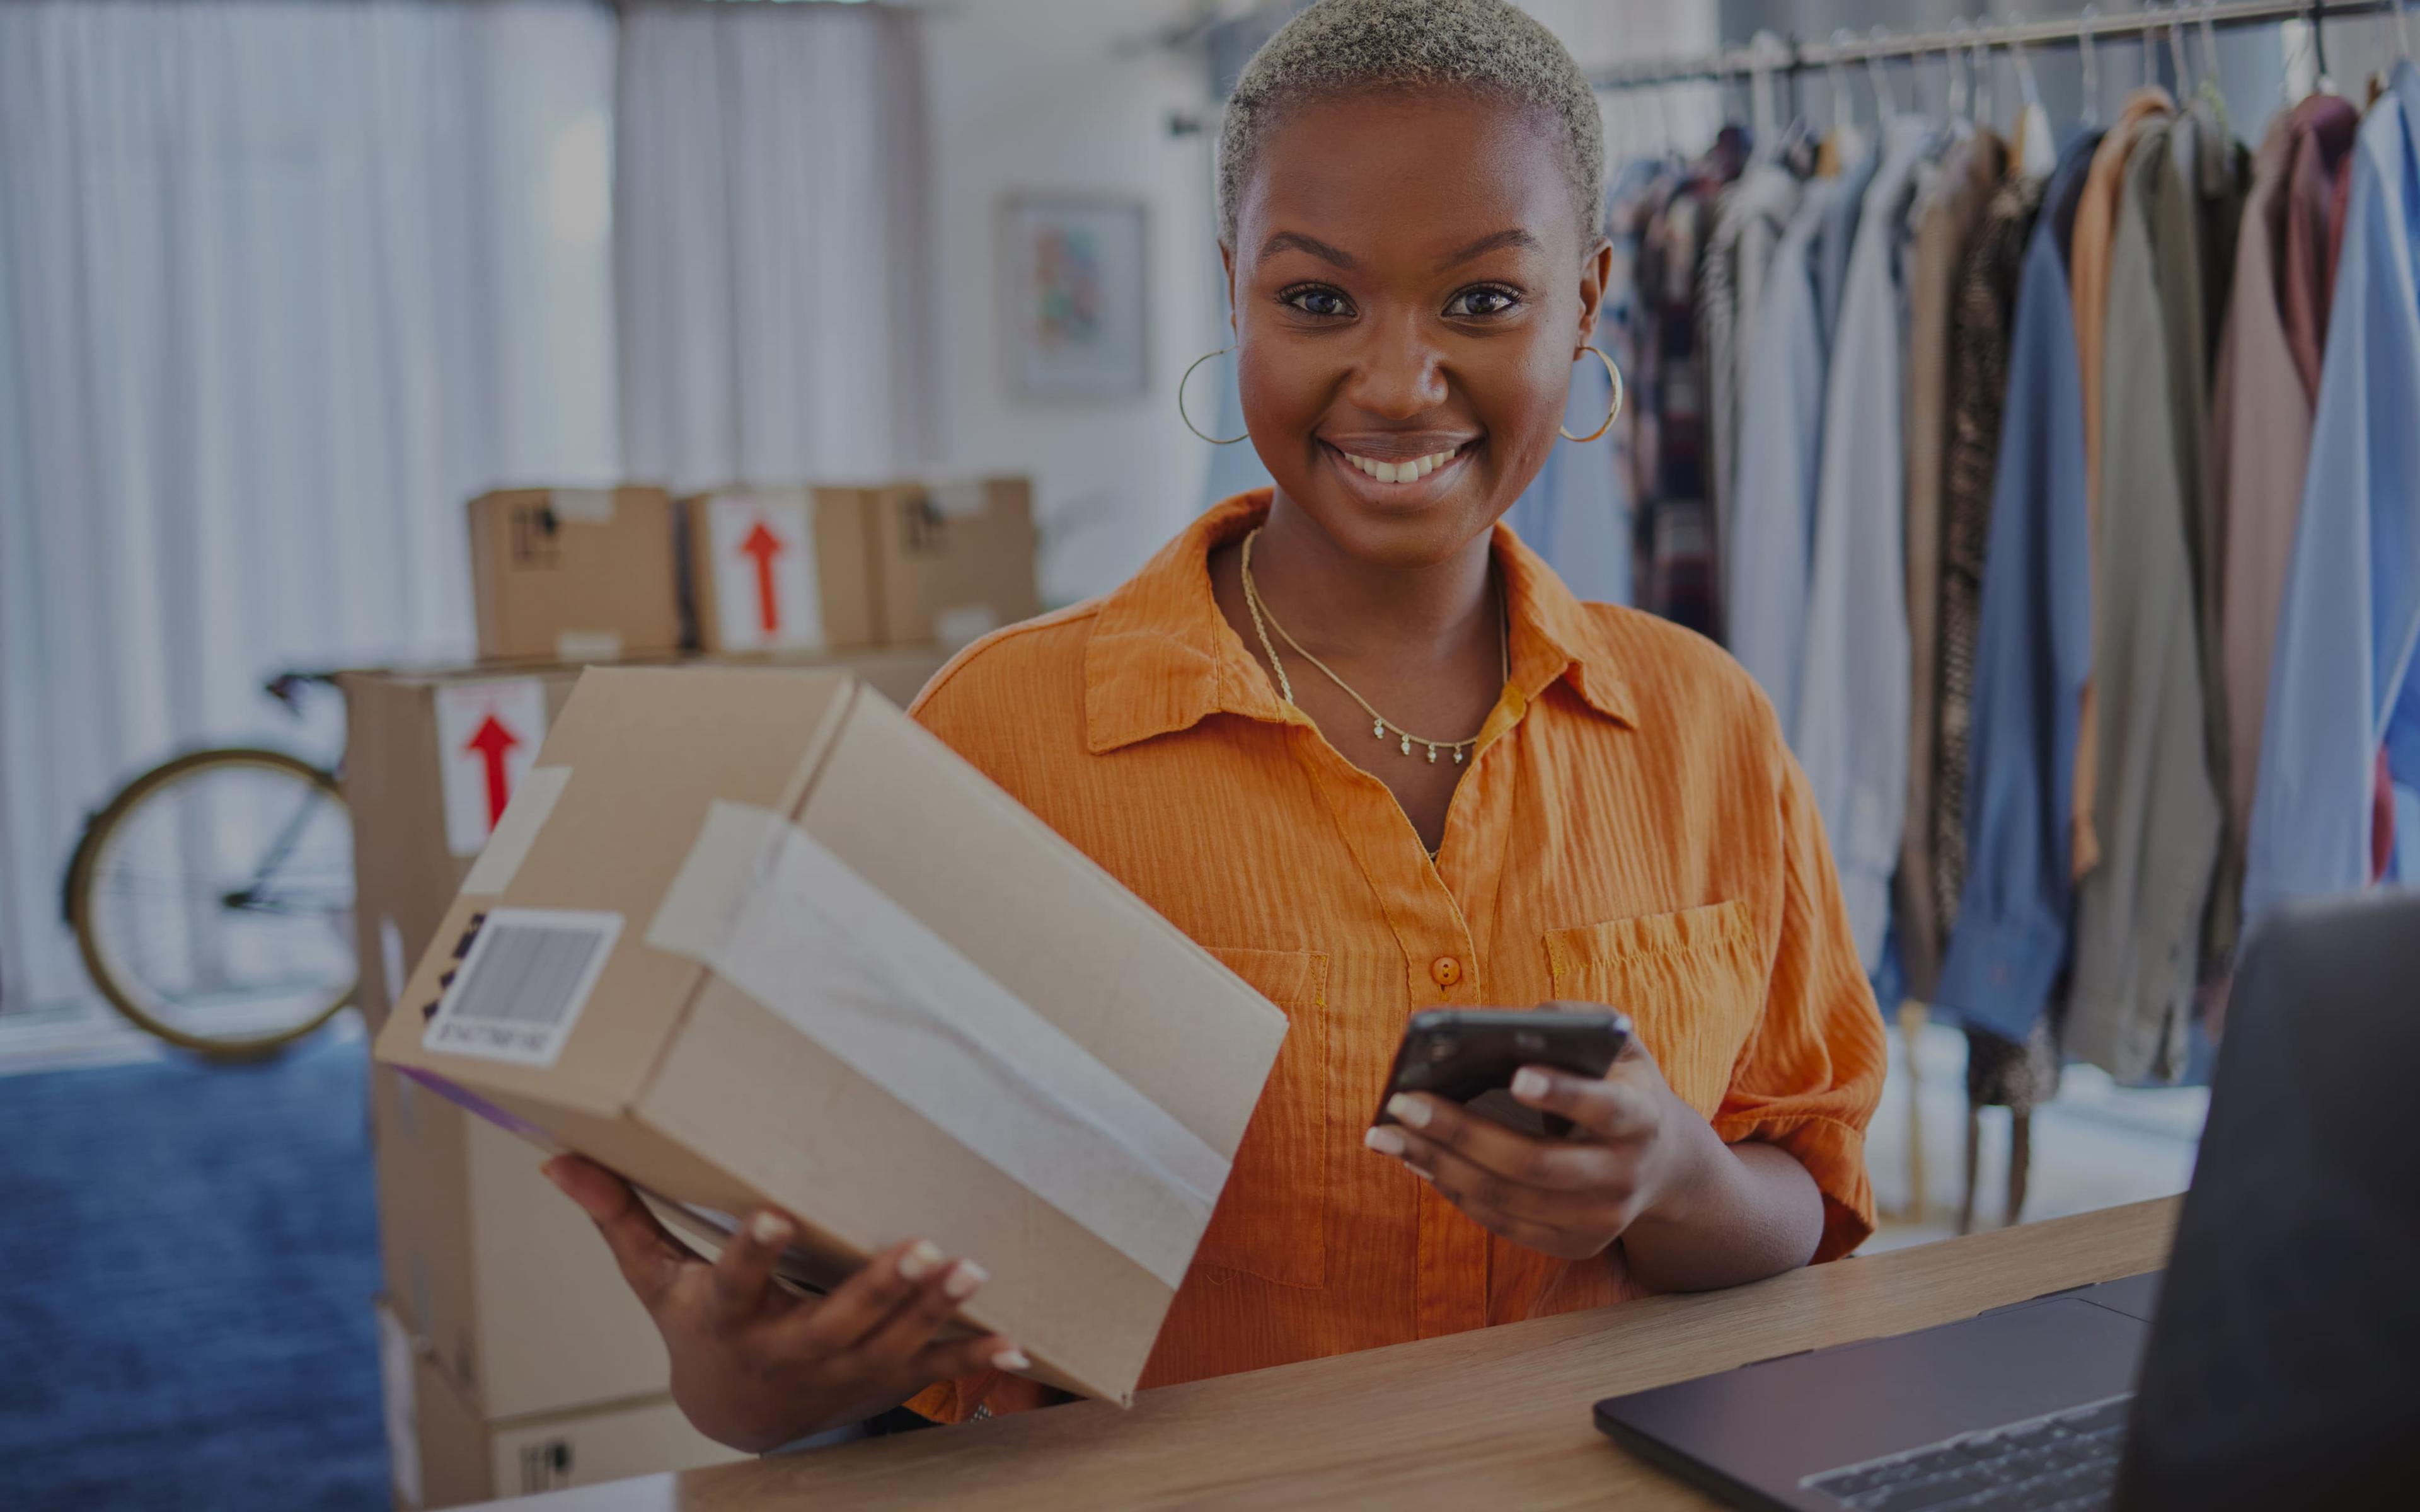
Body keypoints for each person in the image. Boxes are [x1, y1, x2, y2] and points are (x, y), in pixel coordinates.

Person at [543, 0, 1887, 1452]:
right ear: (1232, 288)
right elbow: (836, 1331)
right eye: (1318, 301)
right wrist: (749, 1380)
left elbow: (1802, 1199)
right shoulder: (1005, 739)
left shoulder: (1706, 724)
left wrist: (1671, 1178)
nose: (1395, 381)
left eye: (1484, 301)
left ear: (1586, 303)